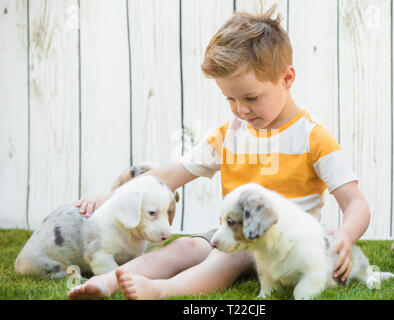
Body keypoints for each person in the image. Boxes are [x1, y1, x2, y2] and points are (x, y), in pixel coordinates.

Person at [68, 5, 370, 300]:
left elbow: (355, 203)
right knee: (183, 248)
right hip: (232, 233)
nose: (240, 109)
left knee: (223, 261)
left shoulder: (313, 138)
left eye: (251, 97)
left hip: (284, 245)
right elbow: (168, 176)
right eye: (230, 99)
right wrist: (112, 197)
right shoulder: (228, 136)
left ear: (286, 78)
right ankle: (108, 281)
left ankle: (160, 291)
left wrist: (345, 234)